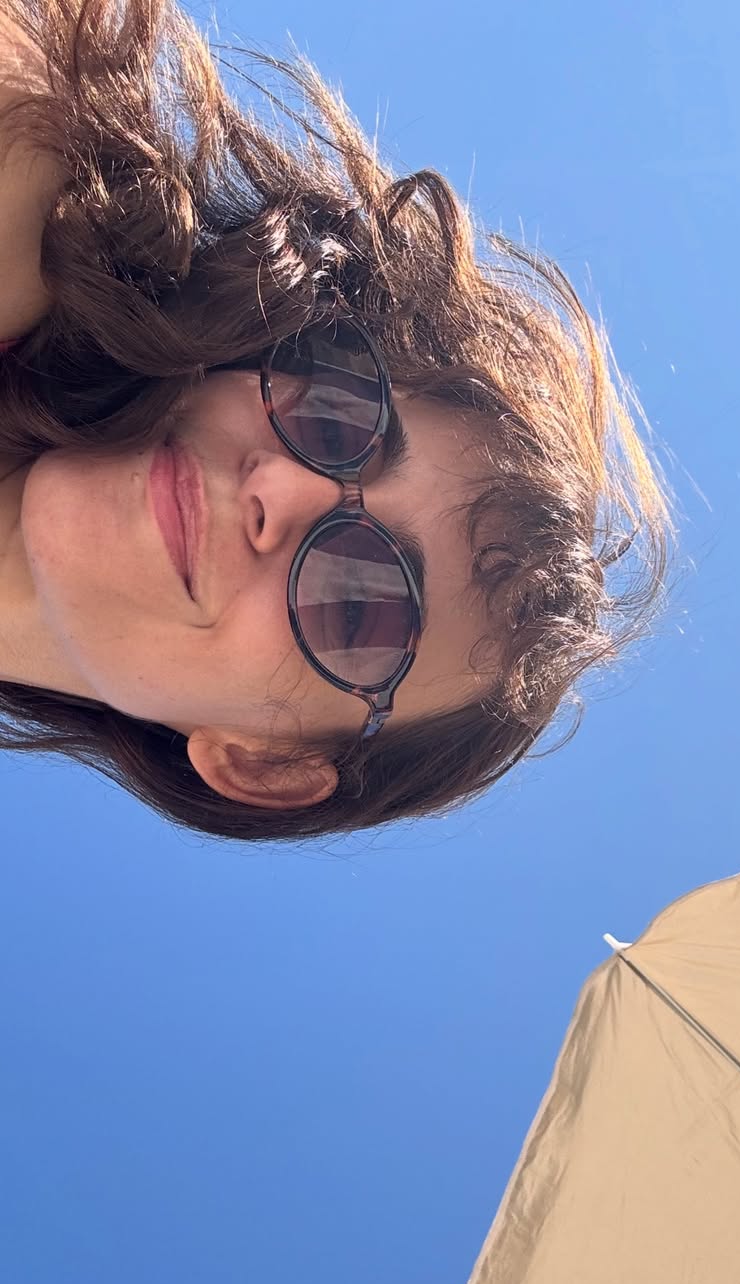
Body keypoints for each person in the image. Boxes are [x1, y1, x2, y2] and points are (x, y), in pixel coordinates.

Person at [0, 0, 671, 842]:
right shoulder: (22, 158)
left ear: (263, 764)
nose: (282, 487)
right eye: (337, 415)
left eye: (356, 608)